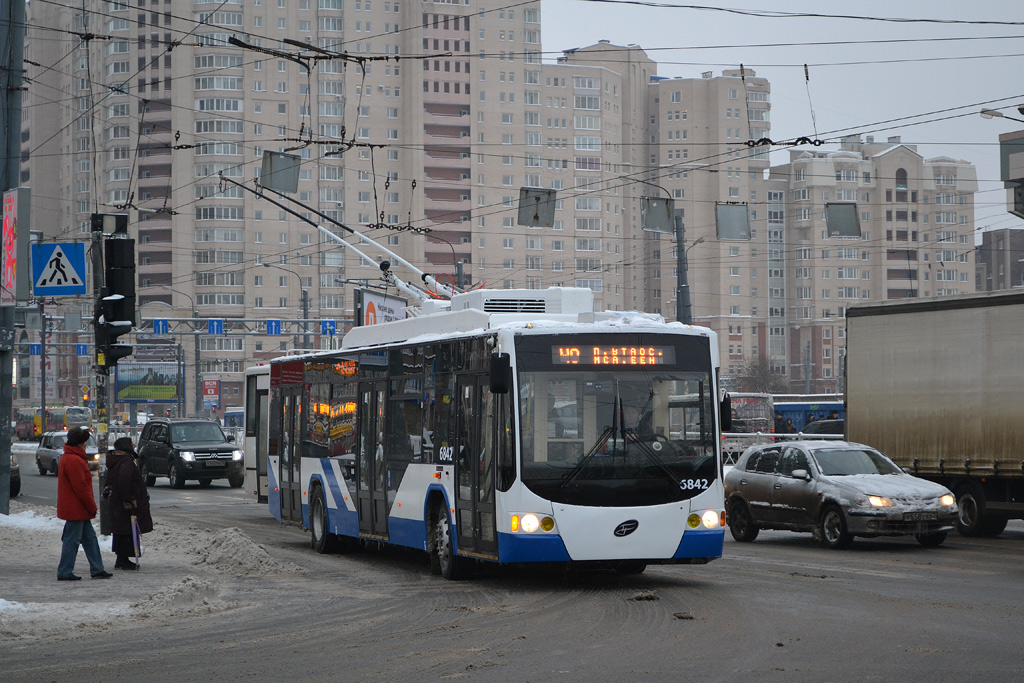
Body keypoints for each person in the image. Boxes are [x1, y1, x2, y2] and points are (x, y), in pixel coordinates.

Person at [56, 427, 111, 581]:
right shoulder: (74, 460)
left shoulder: (70, 457)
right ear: (80, 443)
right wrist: (91, 506)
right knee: (72, 540)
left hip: (77, 508)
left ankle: (97, 569)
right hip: (77, 508)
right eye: (85, 441)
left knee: (89, 538)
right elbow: (81, 488)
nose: (86, 444)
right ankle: (65, 571)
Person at [104, 437, 153, 570]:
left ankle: (121, 559)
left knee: (121, 531)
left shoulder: (117, 460)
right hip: (124, 503)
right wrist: (129, 499)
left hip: (117, 502)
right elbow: (124, 481)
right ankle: (123, 560)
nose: (134, 445)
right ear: (126, 446)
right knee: (127, 531)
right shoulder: (126, 461)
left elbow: (111, 479)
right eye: (132, 444)